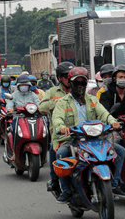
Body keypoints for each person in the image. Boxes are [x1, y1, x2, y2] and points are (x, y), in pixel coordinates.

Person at [52, 67, 125, 203]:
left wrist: (113, 122)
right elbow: (57, 118)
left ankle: (114, 185)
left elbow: (104, 113)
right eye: (77, 83)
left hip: (95, 139)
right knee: (61, 154)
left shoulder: (92, 99)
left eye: (83, 83)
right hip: (73, 139)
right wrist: (62, 127)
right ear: (70, 83)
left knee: (120, 151)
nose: (80, 86)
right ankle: (66, 190)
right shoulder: (62, 102)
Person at [39, 61, 74, 194]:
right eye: (67, 76)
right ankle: (55, 181)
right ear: (60, 78)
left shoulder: (79, 90)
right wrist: (59, 102)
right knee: (55, 150)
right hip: (59, 133)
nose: (71, 80)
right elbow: (41, 107)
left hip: (79, 131)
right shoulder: (53, 91)